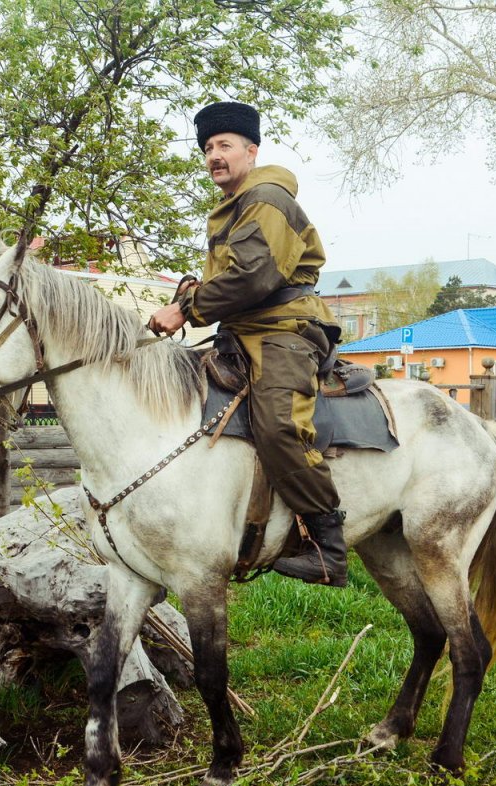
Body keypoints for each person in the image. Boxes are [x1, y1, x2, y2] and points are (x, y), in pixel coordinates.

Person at [148, 101, 348, 587]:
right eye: (208, 148)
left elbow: (255, 276)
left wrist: (186, 308)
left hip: (284, 330)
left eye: (225, 145)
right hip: (244, 330)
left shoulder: (266, 199)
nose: (214, 156)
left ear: (251, 151)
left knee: (279, 425)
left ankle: (327, 547)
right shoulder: (235, 204)